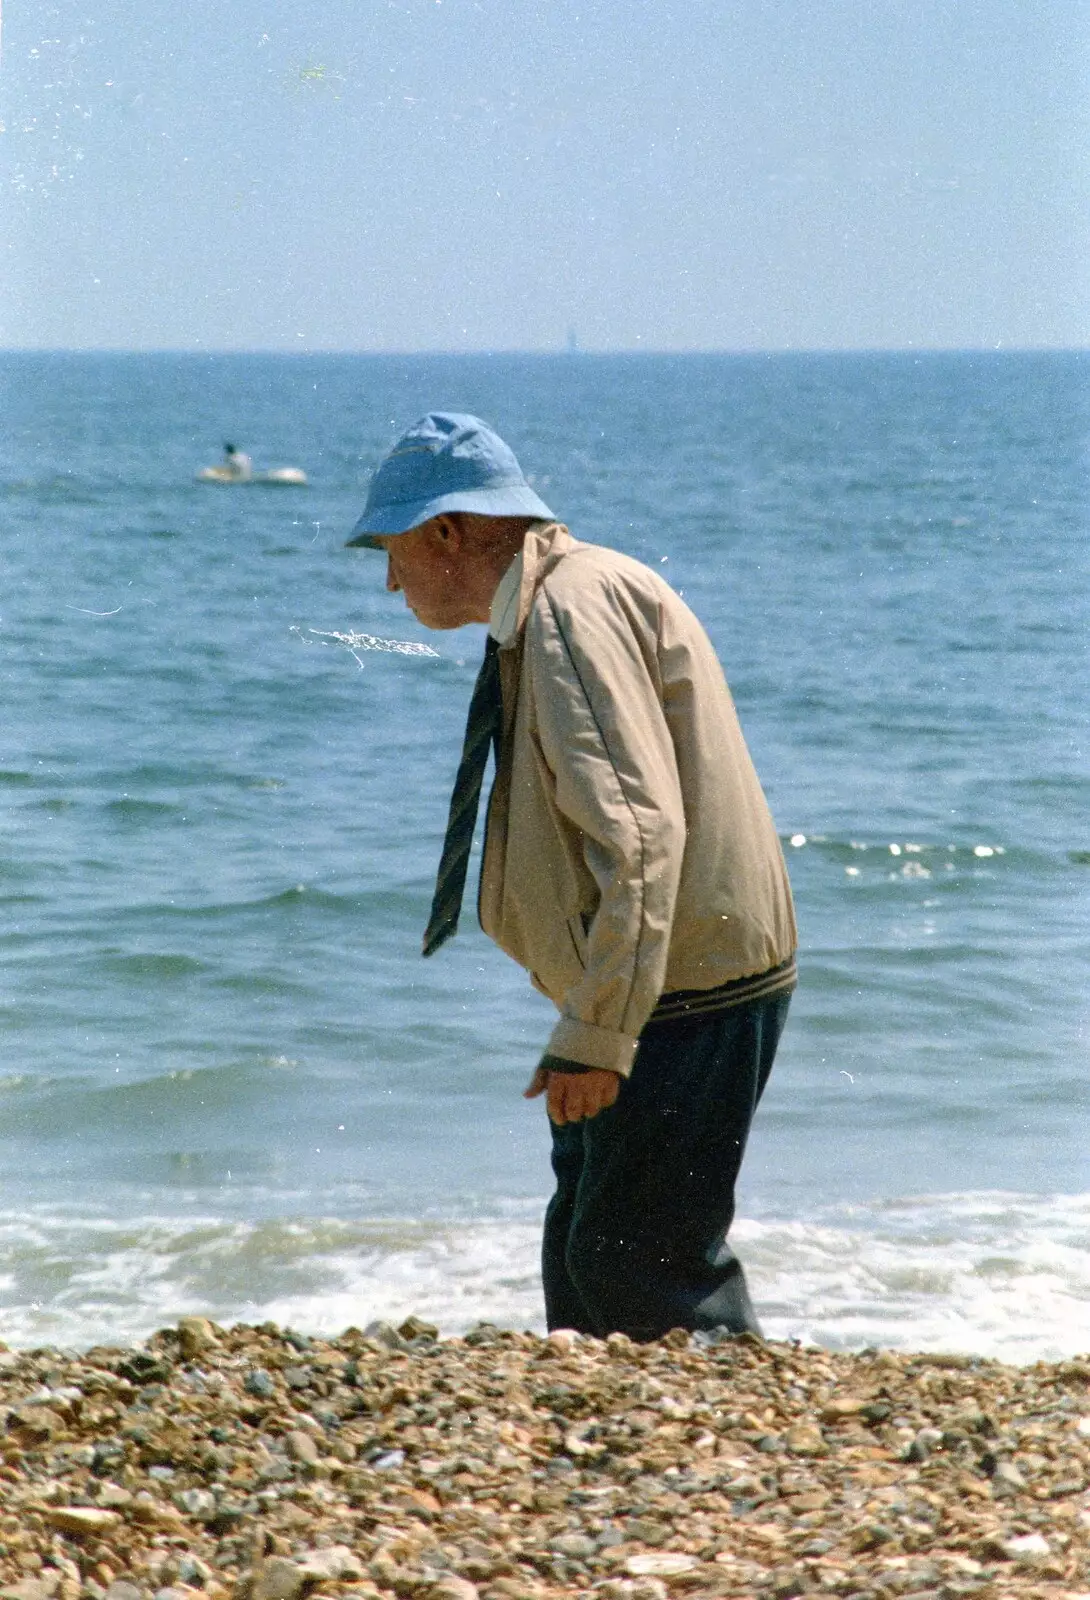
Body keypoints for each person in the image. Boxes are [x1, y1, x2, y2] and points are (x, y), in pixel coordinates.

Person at [346, 412, 797, 1341]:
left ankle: (716, 1455)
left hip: (681, 987)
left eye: (392, 550)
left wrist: (598, 1034)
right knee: (592, 1252)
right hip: (673, 976)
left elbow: (637, 838)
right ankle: (641, 1461)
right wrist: (589, 1021)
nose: (390, 580)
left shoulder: (564, 614)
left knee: (634, 1265)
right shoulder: (562, 598)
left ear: (449, 531)